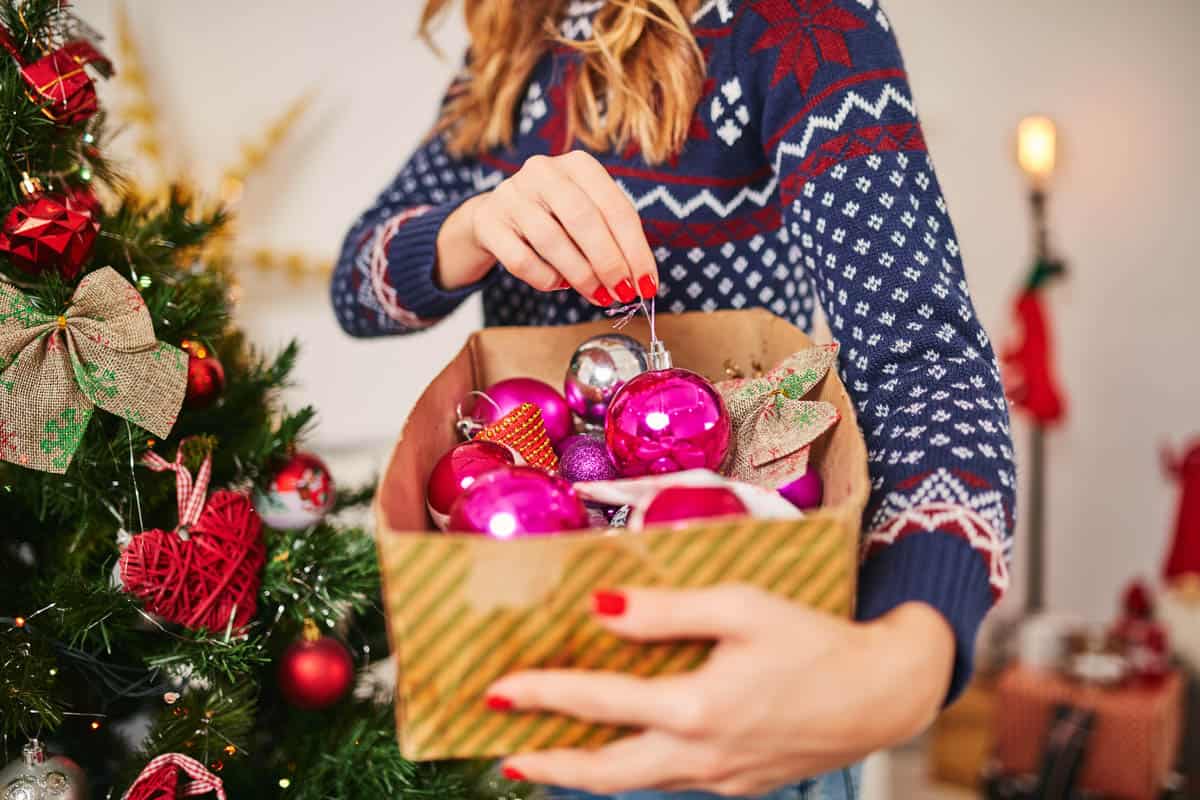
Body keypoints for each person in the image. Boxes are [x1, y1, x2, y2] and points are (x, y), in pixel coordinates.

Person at [332, 1, 1015, 797]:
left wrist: (910, 654)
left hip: (723, 678)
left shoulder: (798, 22)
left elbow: (919, 351)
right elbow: (356, 287)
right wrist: (472, 228)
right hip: (522, 646)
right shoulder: (517, 42)